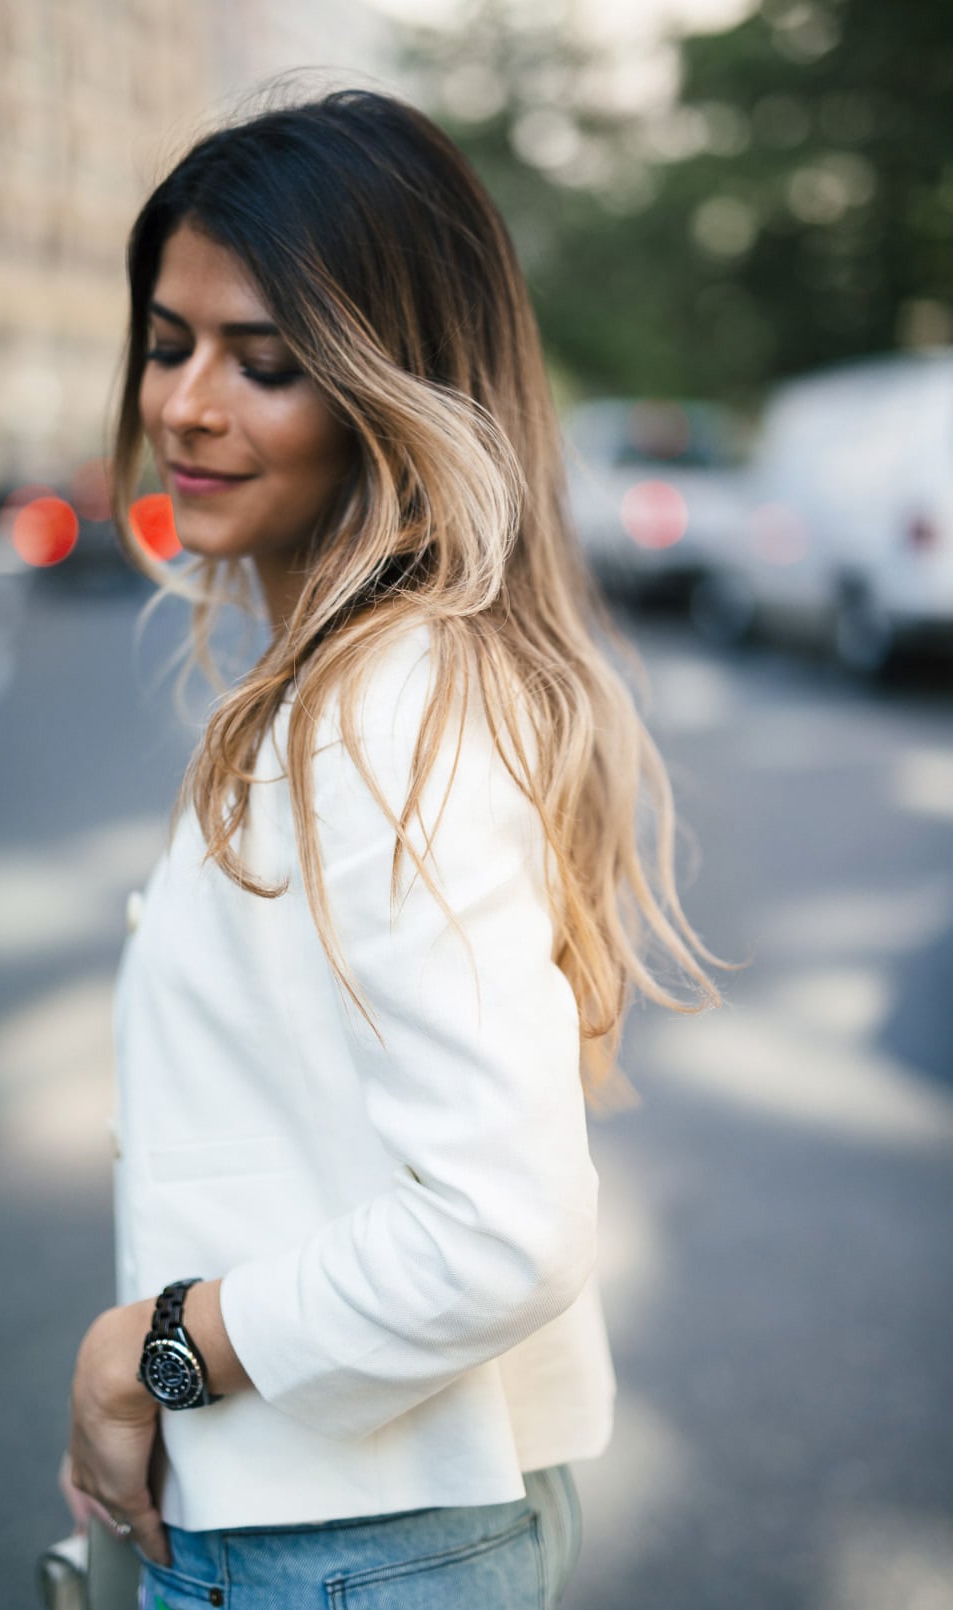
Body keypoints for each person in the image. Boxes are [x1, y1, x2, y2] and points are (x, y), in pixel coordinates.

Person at [61, 86, 724, 1609]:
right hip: (359, 1523)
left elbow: (499, 1227)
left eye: (267, 361)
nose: (184, 406)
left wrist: (146, 1351)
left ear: (391, 385)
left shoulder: (388, 706)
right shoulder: (379, 683)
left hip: (345, 1556)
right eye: (170, 343)